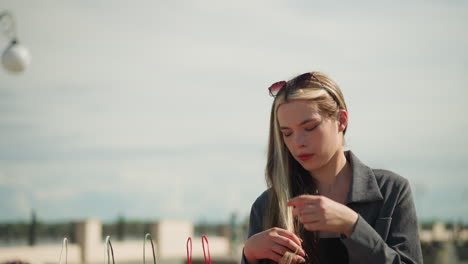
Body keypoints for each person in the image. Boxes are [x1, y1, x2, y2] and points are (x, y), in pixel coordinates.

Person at [241, 72, 423, 264]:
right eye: (287, 133)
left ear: (341, 120)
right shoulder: (267, 205)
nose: (298, 142)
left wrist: (352, 226)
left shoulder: (391, 191)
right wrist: (249, 255)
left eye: (310, 127)